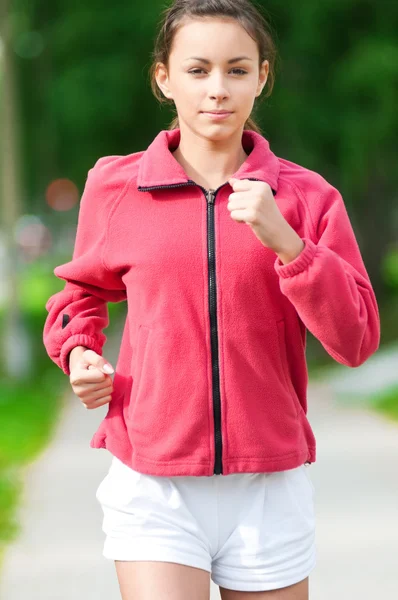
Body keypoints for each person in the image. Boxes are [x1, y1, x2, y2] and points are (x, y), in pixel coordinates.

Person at [43, 0, 380, 598]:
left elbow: (356, 340)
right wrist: (78, 354)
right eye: (197, 70)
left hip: (268, 483)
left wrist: (289, 244)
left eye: (237, 69)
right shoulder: (117, 186)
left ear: (262, 77)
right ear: (163, 78)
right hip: (153, 478)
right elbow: (80, 293)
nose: (217, 90)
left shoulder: (306, 197)